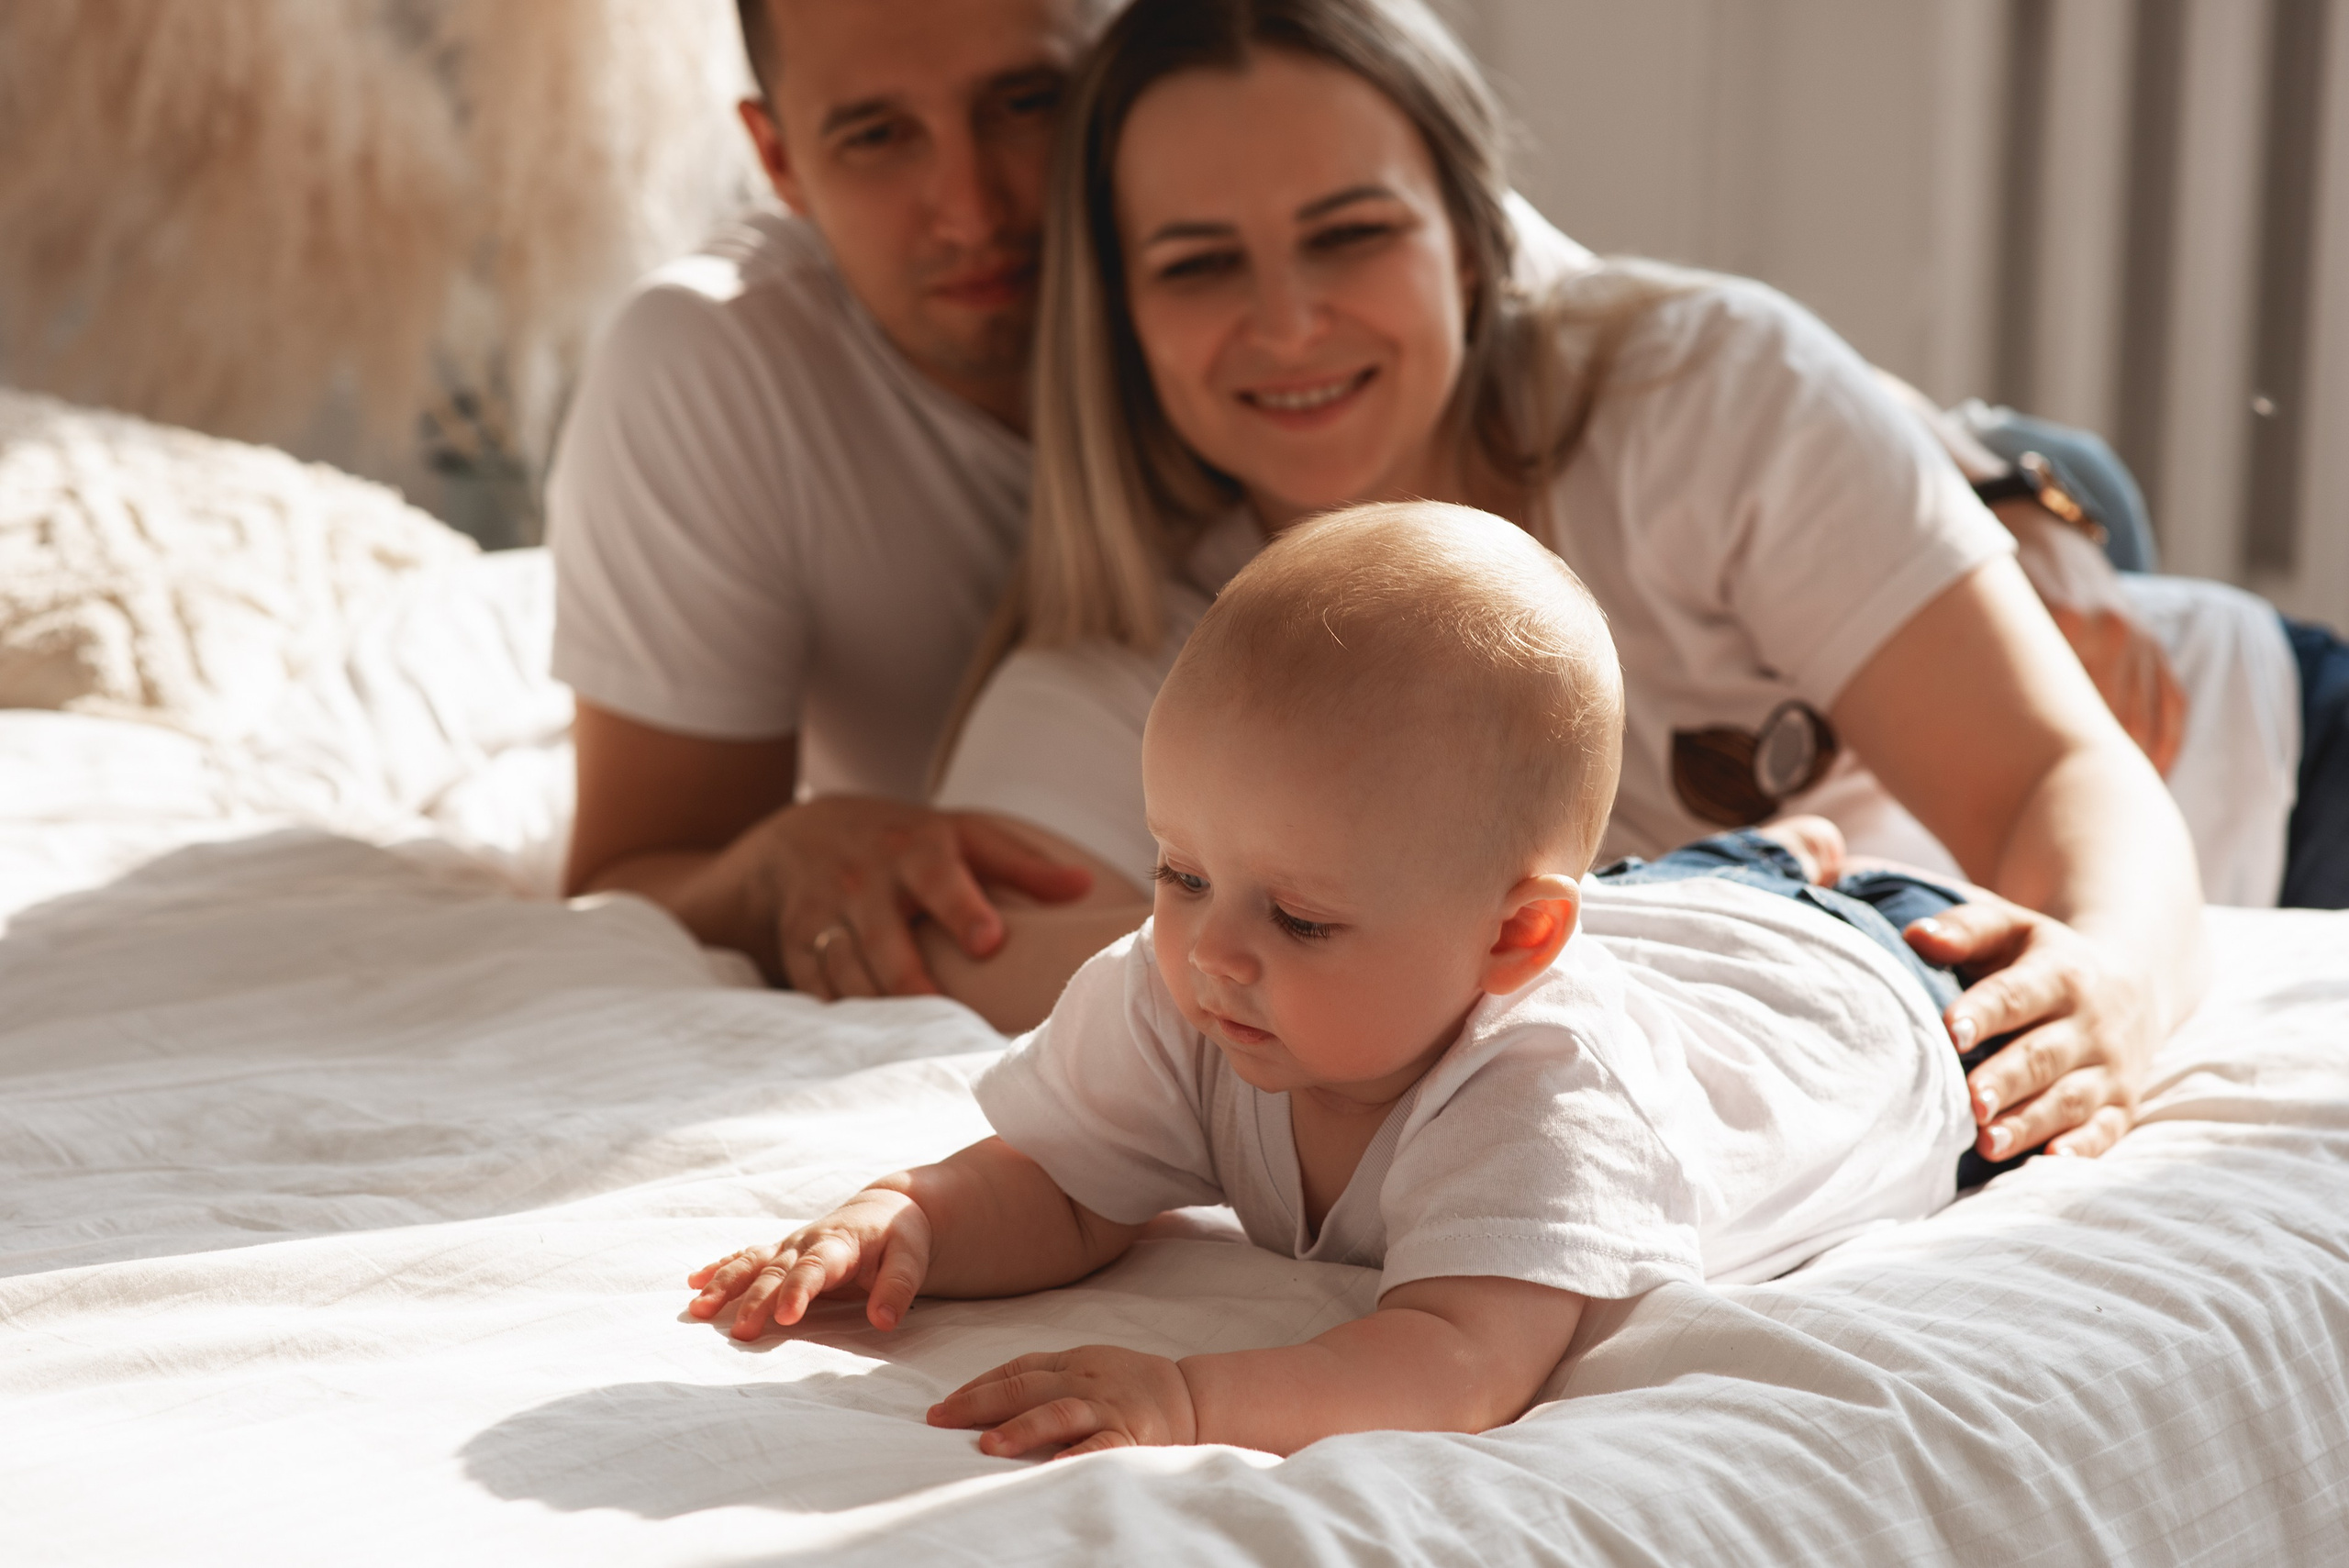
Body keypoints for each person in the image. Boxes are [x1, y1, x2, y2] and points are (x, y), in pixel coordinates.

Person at [924, 0, 2210, 1173]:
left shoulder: (1707, 400)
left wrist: (2117, 980)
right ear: (1122, 313)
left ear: (1472, 246)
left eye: (1354, 233)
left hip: (2244, 739)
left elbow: (2060, 774)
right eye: (1200, 263)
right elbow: (1008, 959)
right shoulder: (1134, 664)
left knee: (2070, 499)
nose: (1291, 319)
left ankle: (2013, 478)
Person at [687, 504, 1982, 1457]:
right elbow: (1070, 1185)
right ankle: (1753, 858)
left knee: (1838, 924)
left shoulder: (1547, 1092)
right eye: (1181, 869)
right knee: (1657, 889)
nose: (1212, 947)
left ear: (1513, 946)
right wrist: (911, 1215)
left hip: (1854, 986)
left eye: (1300, 918)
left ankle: (1800, 869)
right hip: (1652, 917)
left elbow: (1457, 1359)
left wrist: (1189, 1396)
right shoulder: (1191, 982)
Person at [547, 0, 1126, 997]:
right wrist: (781, 857)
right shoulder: (717, 364)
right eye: (876, 135)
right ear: (777, 160)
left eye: (1027, 102)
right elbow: (631, 876)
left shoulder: (1345, 284)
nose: (973, 207)